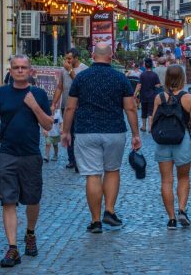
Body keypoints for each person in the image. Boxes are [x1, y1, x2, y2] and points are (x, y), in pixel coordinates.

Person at [0, 55, 53, 268]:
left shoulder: (38, 94)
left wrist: (34, 106)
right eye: (16, 67)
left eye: (24, 67)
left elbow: (48, 125)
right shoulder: (1, 93)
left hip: (31, 154)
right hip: (7, 154)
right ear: (10, 71)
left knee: (32, 199)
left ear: (30, 71)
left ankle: (30, 232)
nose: (20, 70)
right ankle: (12, 248)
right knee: (8, 200)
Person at [61, 42, 142, 233]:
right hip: (114, 131)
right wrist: (136, 134)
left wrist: (65, 131)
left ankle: (95, 221)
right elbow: (130, 108)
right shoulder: (120, 78)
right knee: (112, 170)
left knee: (93, 174)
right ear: (111, 55)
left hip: (86, 131)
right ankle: (110, 211)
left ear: (92, 55)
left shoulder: (82, 78)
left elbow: (71, 107)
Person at [151, 65, 191, 229]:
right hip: (181, 140)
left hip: (163, 142)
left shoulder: (159, 98)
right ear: (182, 78)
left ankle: (171, 219)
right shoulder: (189, 98)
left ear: (167, 78)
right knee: (183, 178)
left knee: (166, 181)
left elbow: (154, 121)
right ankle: (182, 209)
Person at [50, 48, 89, 172]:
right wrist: (54, 103)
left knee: (78, 134)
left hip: (80, 107)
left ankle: (79, 161)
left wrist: (70, 70)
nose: (67, 61)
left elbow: (81, 84)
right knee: (68, 133)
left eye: (69, 58)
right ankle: (71, 160)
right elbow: (60, 87)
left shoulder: (84, 69)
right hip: (66, 106)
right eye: (66, 58)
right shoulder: (63, 70)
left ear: (76, 58)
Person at [134, 58, 161, 133]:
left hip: (143, 96)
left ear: (145, 66)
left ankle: (143, 127)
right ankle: (150, 127)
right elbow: (158, 85)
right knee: (150, 111)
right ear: (152, 66)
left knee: (144, 111)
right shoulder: (154, 75)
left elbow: (139, 85)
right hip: (152, 96)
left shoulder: (142, 75)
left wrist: (135, 94)